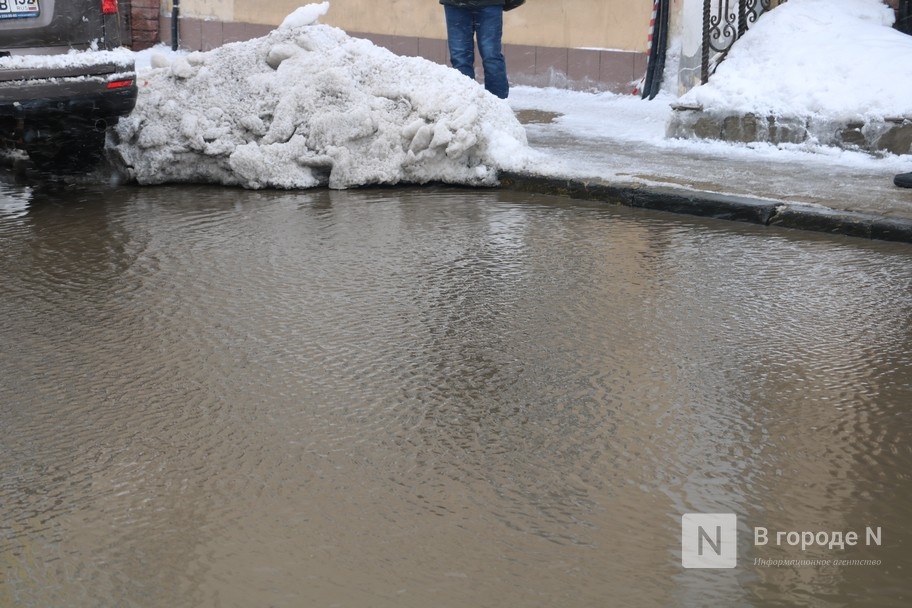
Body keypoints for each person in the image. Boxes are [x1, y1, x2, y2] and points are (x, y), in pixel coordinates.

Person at [440, 0, 510, 99]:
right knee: (463, 58)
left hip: (488, 4)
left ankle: (498, 105)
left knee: (489, 57)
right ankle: (466, 102)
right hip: (457, 4)